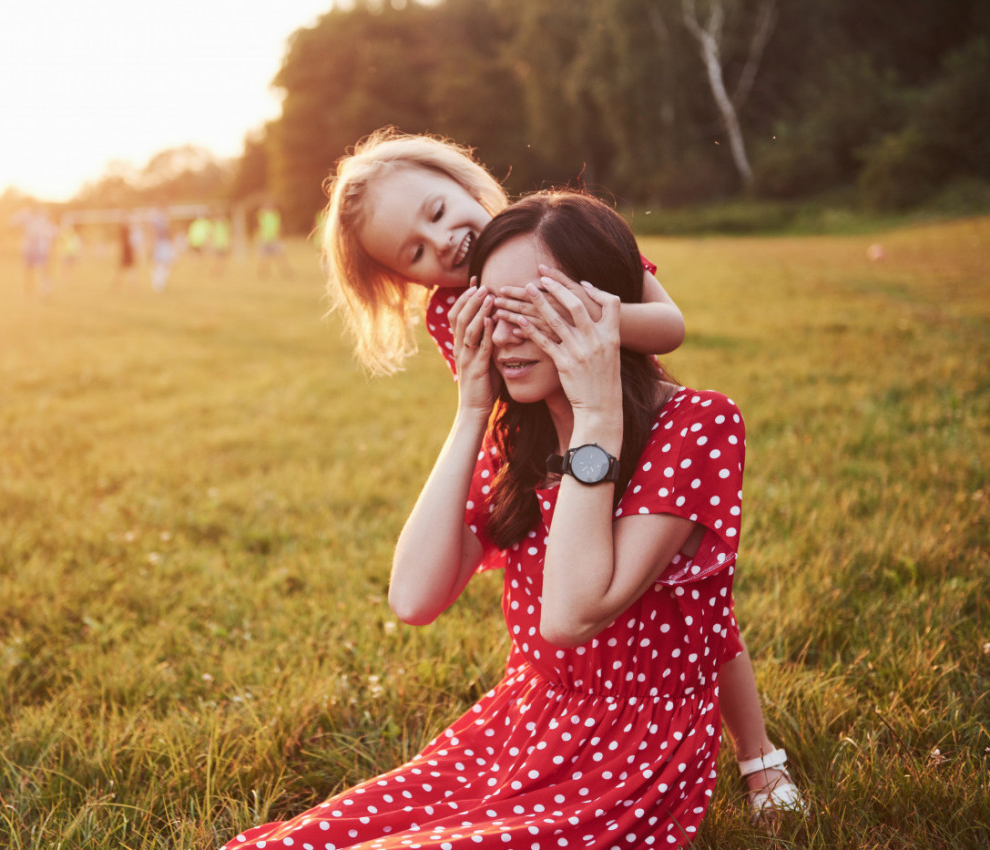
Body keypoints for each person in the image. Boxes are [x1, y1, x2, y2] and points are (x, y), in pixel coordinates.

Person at [224, 190, 753, 848]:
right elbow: (413, 598)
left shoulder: (696, 425)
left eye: (532, 308)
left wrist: (594, 417)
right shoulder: (519, 448)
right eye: (489, 309)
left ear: (602, 313)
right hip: (513, 732)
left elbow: (569, 615)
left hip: (625, 765)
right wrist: (471, 411)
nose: (503, 334)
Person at [319, 129, 803, 820]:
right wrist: (474, 418)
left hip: (622, 424)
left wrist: (589, 331)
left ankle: (758, 758)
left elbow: (667, 325)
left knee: (700, 612)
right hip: (526, 440)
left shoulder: (569, 239)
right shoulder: (450, 313)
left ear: (465, 183)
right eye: (414, 253)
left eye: (435, 213)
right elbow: (413, 597)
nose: (442, 246)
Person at [256, 201, 290, 278]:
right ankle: (262, 273)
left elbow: (279, 226)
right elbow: (259, 219)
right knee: (263, 257)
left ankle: (284, 272)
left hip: (275, 239)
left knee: (281, 256)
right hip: (265, 239)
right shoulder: (262, 215)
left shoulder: (275, 215)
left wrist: (281, 235)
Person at [149, 207, 175, 293]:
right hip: (159, 244)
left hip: (164, 243)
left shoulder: (164, 220)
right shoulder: (157, 220)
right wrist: (152, 246)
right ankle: (158, 283)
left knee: (167, 263)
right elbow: (153, 233)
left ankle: (160, 281)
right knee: (160, 264)